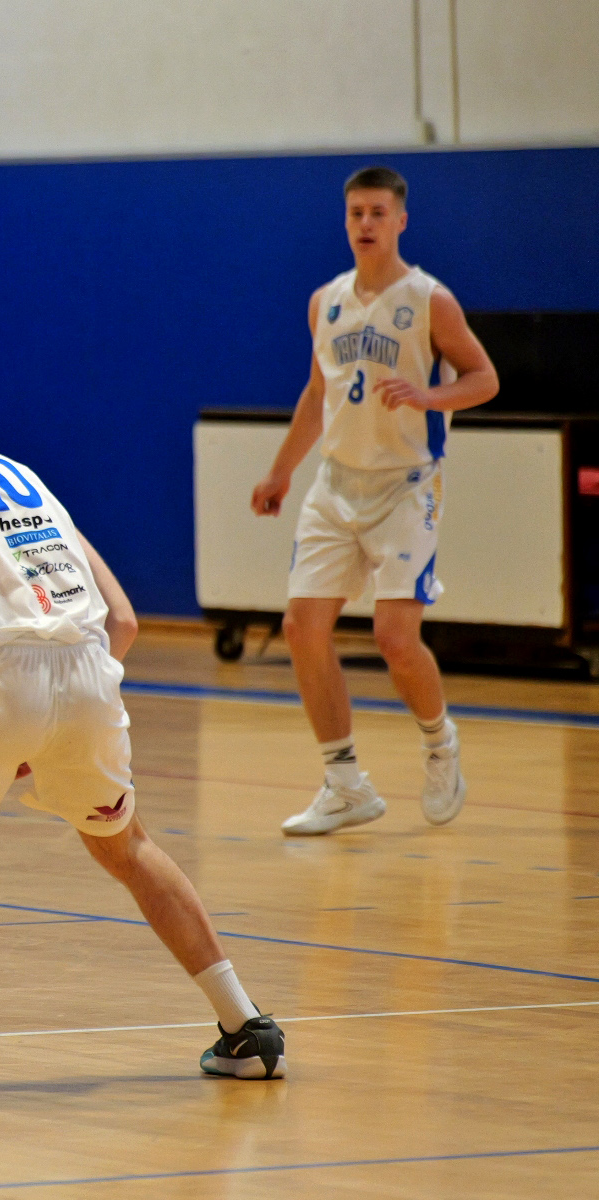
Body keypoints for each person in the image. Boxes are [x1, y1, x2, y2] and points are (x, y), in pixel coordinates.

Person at [0, 337, 285, 1099]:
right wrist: (51, 723)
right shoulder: (21, 477)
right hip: (89, 675)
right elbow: (123, 619)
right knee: (127, 847)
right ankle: (246, 1026)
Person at [251, 166, 498, 836]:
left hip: (406, 485)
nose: (365, 223)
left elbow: (485, 377)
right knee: (302, 628)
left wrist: (429, 396)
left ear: (401, 221)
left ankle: (440, 744)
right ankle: (345, 784)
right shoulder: (324, 301)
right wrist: (280, 473)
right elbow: (317, 394)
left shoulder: (430, 300)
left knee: (394, 638)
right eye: (356, 212)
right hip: (335, 485)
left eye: (378, 213)